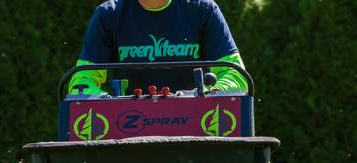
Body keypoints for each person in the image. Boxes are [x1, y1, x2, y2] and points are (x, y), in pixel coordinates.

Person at [69, 0, 249, 95]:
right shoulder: (108, 15)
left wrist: (196, 96)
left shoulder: (204, 10)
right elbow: (81, 83)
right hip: (125, 132)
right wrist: (108, 102)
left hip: (197, 135)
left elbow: (236, 76)